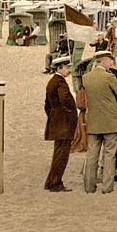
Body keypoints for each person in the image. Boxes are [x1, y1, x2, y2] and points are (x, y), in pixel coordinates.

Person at [81, 50, 117, 194]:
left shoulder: (86, 78)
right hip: (110, 122)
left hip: (94, 121)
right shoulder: (109, 77)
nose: (112, 63)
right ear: (104, 60)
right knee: (109, 155)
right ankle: (107, 187)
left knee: (92, 154)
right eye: (110, 60)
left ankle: (89, 187)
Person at [43, 55, 78, 192]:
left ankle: (51, 181)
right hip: (64, 124)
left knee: (58, 153)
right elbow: (65, 99)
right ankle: (55, 183)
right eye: (67, 67)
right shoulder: (60, 83)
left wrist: (54, 116)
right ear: (59, 68)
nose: (69, 70)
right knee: (62, 155)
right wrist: (70, 113)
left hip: (56, 123)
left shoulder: (52, 81)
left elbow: (47, 106)